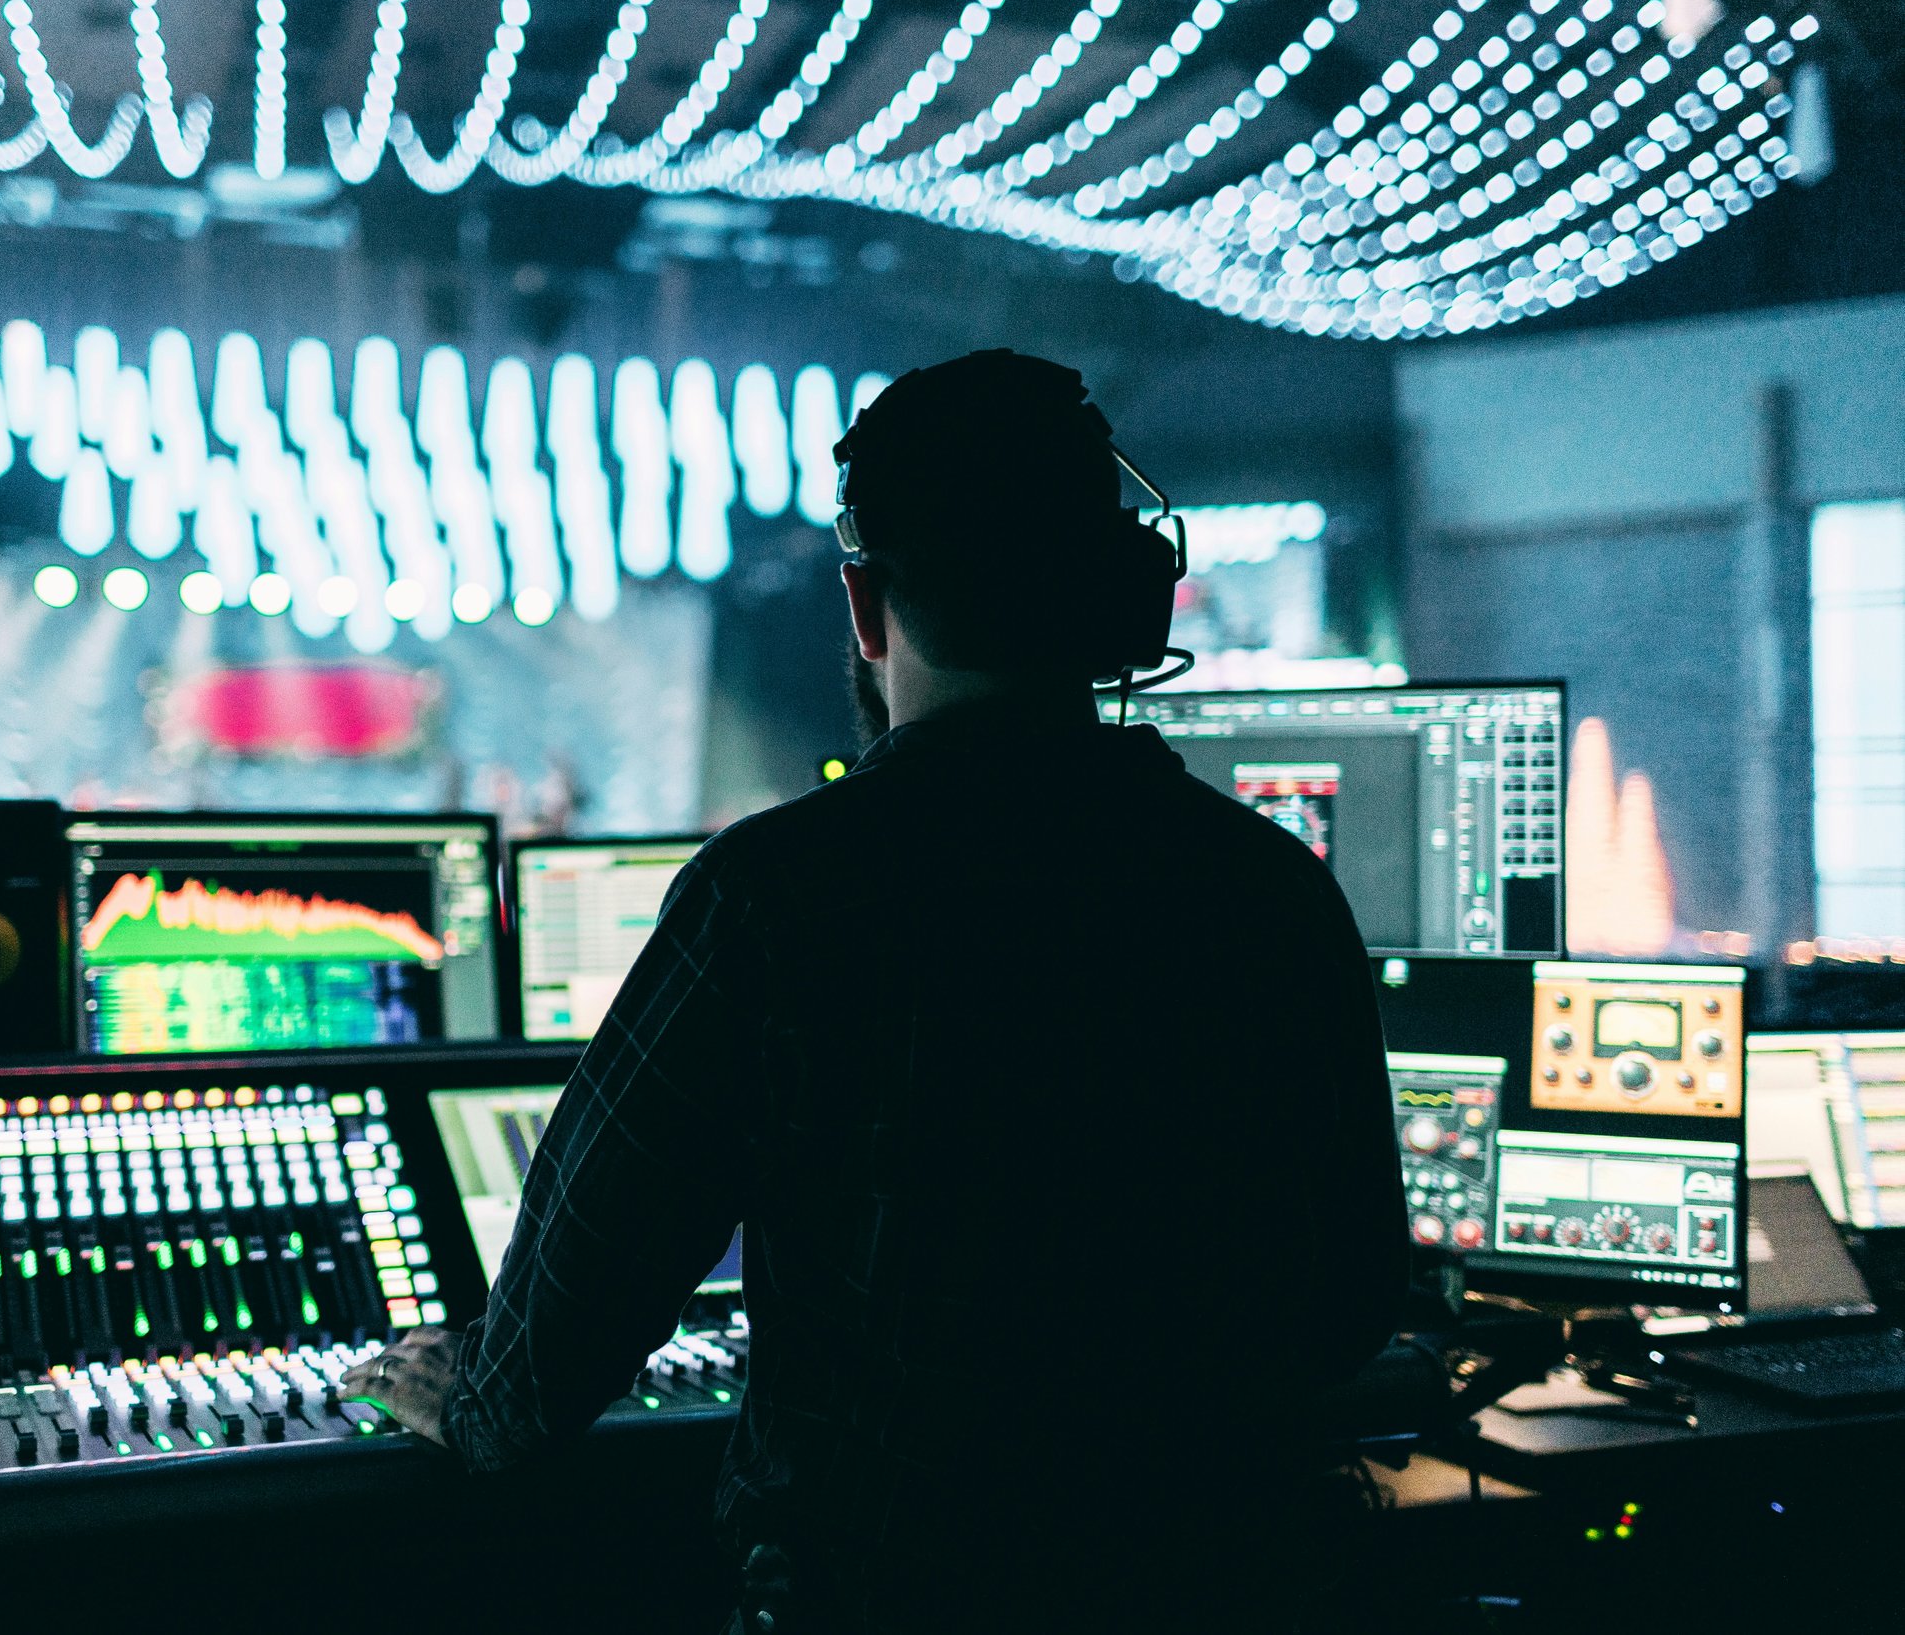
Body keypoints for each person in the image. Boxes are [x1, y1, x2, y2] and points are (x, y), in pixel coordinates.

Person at [344, 350, 1404, 1628]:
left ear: (863, 604)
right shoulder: (1269, 890)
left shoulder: (780, 897)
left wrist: (448, 1390)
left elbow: (543, 1369)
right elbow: (1350, 1304)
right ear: (1132, 594)